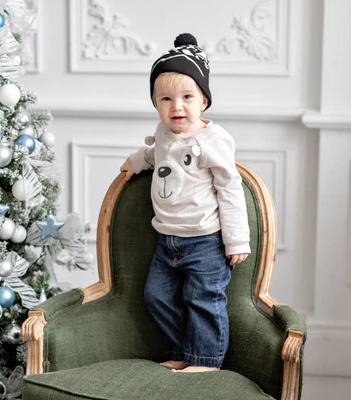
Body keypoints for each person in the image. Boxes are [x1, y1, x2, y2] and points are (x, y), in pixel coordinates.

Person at [120, 33, 250, 373]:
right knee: (156, 296)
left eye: (187, 97)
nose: (176, 106)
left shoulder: (213, 140)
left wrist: (235, 239)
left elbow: (230, 188)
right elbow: (157, 153)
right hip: (168, 241)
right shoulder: (164, 132)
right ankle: (183, 349)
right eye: (165, 99)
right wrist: (137, 161)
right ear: (155, 102)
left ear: (203, 100)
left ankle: (205, 362)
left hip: (205, 241)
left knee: (203, 301)